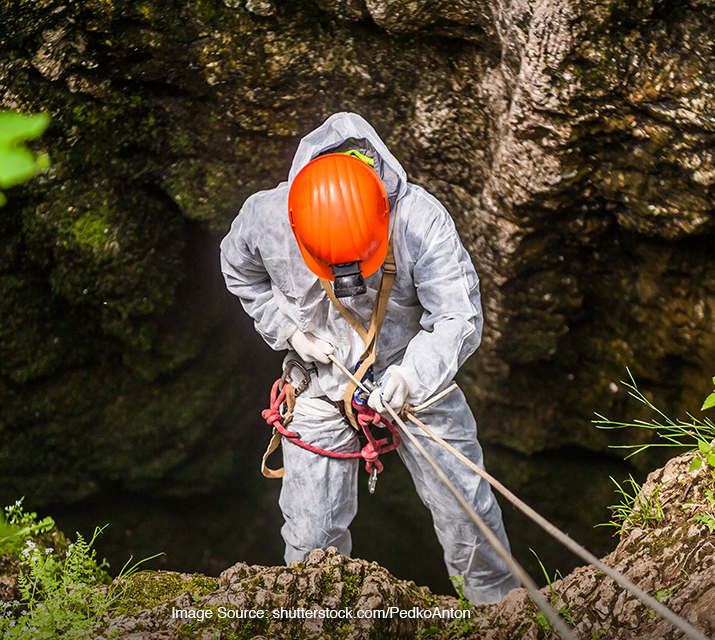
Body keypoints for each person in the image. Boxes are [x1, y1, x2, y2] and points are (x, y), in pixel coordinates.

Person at [220, 112, 518, 604]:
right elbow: (239, 271)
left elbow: (457, 317)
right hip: (318, 377)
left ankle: (494, 607)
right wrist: (290, 332)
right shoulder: (267, 219)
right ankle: (319, 620)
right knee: (311, 537)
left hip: (412, 373)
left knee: (465, 507)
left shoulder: (418, 220)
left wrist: (411, 377)